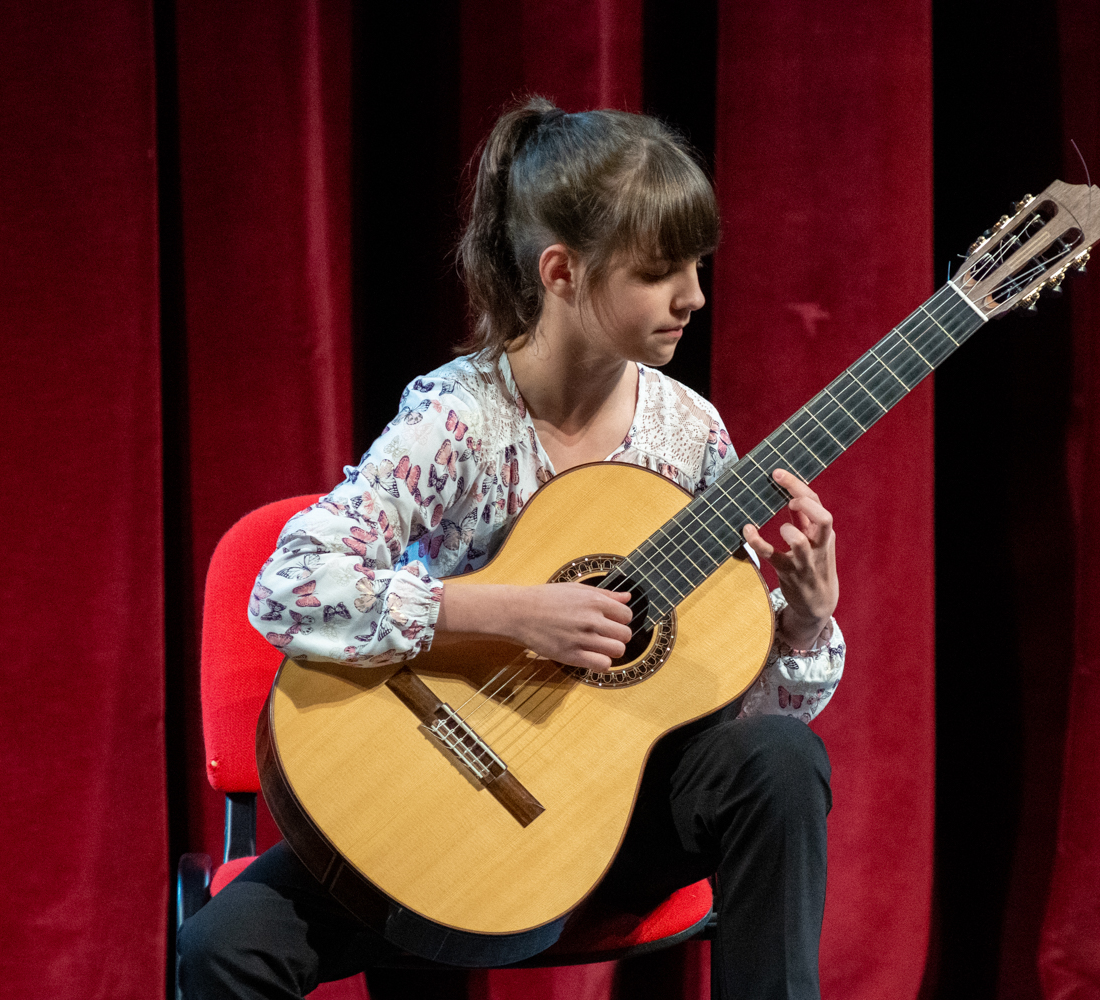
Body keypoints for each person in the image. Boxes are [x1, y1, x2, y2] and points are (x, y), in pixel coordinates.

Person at [178, 96, 846, 1000]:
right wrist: (515, 612)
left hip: (614, 809)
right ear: (562, 271)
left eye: (697, 265)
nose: (693, 295)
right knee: (225, 948)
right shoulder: (457, 421)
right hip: (448, 796)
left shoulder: (691, 436)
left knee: (778, 760)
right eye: (659, 271)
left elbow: (728, 689)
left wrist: (802, 625)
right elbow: (289, 590)